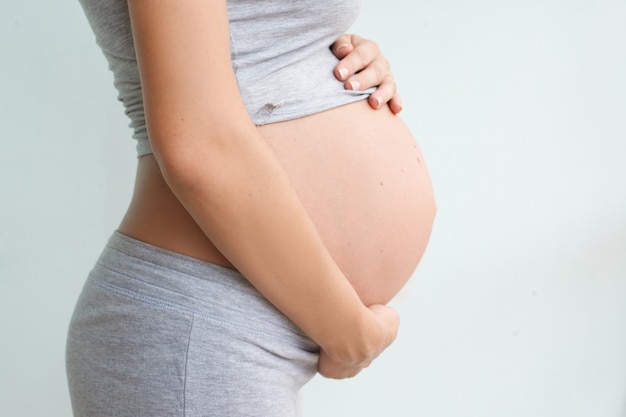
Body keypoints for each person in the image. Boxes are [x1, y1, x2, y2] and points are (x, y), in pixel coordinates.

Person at [66, 0, 437, 416]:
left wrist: (334, 57)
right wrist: (349, 333)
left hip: (227, 328)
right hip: (198, 328)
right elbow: (198, 144)